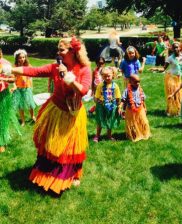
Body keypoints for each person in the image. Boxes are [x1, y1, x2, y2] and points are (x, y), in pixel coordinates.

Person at [1, 37, 92, 194]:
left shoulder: (84, 69)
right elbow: (34, 71)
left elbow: (83, 90)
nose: (58, 52)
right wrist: (12, 70)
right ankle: (47, 173)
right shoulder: (56, 67)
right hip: (55, 110)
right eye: (58, 49)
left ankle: (71, 174)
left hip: (72, 115)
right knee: (50, 144)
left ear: (73, 51)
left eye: (61, 49)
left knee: (69, 146)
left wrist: (69, 78)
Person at [119, 74, 151, 142]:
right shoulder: (127, 90)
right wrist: (120, 107)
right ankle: (133, 134)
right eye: (136, 82)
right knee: (132, 123)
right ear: (130, 82)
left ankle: (144, 132)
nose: (138, 83)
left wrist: (145, 107)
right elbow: (123, 100)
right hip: (131, 110)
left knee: (144, 121)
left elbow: (142, 99)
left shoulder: (140, 89)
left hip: (140, 108)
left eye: (139, 81)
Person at [93, 66, 121, 142]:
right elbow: (96, 96)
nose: (107, 78)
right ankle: (97, 136)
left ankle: (109, 135)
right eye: (104, 76)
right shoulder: (100, 85)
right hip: (101, 106)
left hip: (112, 106)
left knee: (110, 120)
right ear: (102, 76)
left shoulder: (115, 86)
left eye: (108, 76)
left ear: (113, 75)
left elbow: (118, 97)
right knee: (100, 121)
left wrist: (119, 106)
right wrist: (96, 101)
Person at [159, 42, 182, 116]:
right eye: (174, 47)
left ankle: (178, 109)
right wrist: (157, 69)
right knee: (172, 94)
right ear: (172, 49)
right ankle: (169, 109)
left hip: (179, 78)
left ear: (180, 48)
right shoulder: (170, 58)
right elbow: (164, 68)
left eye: (177, 47)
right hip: (171, 78)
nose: (176, 49)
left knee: (179, 95)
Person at [12, 49, 36, 126]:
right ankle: (23, 120)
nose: (22, 59)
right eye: (20, 58)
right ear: (17, 58)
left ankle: (32, 116)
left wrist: (30, 84)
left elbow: (32, 75)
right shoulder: (15, 67)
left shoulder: (28, 66)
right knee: (20, 105)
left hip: (27, 88)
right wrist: (14, 86)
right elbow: (13, 78)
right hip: (18, 89)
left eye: (23, 57)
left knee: (30, 104)